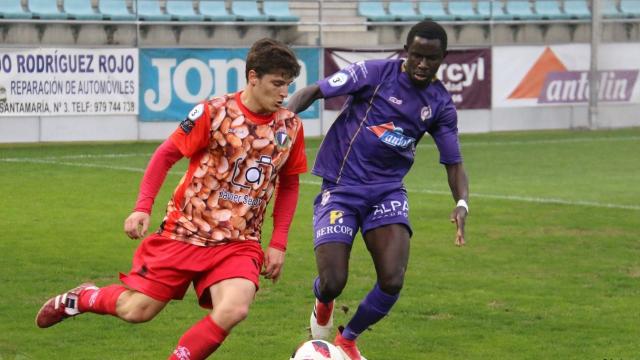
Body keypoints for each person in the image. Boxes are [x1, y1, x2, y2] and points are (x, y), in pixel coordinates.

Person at [35, 38, 307, 360]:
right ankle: (83, 298)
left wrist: (278, 242)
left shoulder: (290, 127)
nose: (284, 93)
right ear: (252, 77)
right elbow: (165, 156)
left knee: (234, 308)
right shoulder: (213, 112)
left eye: (288, 85)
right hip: (185, 231)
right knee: (137, 310)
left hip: (238, 241)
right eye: (277, 84)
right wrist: (142, 208)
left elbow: (289, 184)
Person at [286, 21, 469, 360]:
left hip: (387, 192)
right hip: (341, 187)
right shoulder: (375, 73)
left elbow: (454, 161)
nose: (422, 64)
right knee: (333, 281)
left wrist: (461, 203)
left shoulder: (440, 104)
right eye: (416, 56)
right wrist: (281, 125)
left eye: (431, 58)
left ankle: (348, 340)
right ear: (406, 52)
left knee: (393, 278)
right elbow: (311, 92)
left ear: (443, 58)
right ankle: (323, 300)